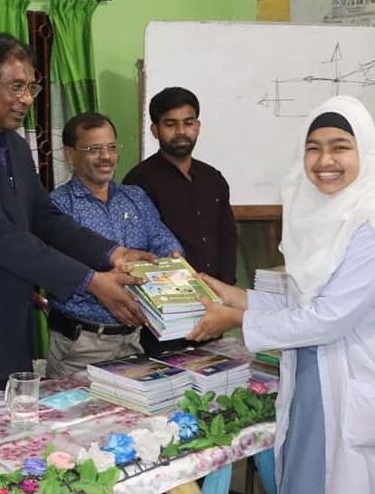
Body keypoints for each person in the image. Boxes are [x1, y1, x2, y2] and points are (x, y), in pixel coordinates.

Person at [0, 33, 150, 395]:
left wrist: (112, 253)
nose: (27, 99)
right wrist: (91, 281)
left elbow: (43, 217)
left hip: (9, 335)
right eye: (16, 87)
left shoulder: (16, 146)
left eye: (31, 87)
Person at [189, 96, 375, 493]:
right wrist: (234, 295)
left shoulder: (368, 223)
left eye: (341, 146)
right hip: (313, 375)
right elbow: (302, 301)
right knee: (304, 472)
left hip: (348, 379)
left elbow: (329, 318)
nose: (324, 160)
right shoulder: (317, 215)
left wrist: (235, 319)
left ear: (365, 150)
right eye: (313, 148)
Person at [47, 112, 181, 378]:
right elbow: (58, 270)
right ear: (70, 154)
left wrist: (171, 259)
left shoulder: (134, 197)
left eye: (111, 147)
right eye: (94, 149)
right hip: (82, 347)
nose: (106, 157)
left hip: (133, 340)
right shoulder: (56, 206)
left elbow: (161, 238)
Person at [123, 87, 237, 356]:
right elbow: (139, 252)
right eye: (170, 124)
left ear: (198, 126)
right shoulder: (139, 182)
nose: (181, 131)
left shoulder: (213, 178)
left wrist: (226, 293)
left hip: (214, 307)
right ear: (155, 130)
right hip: (166, 315)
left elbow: (227, 237)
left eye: (188, 122)